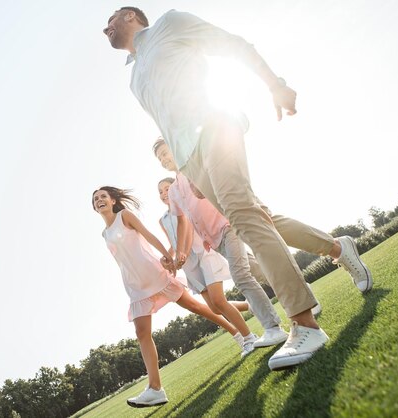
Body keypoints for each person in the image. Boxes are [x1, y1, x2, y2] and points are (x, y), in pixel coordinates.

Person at [103, 7, 373, 370]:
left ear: (133, 16)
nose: (106, 28)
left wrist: (274, 83)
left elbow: (232, 44)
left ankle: (304, 323)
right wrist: (188, 171)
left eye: (112, 19)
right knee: (259, 217)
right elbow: (164, 122)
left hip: (215, 124)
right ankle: (338, 247)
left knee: (245, 218)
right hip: (191, 158)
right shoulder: (134, 78)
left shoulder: (170, 24)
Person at [92, 186, 259, 408]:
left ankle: (239, 333)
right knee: (142, 333)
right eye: (95, 199)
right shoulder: (104, 233)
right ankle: (155, 389)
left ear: (113, 200)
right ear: (95, 207)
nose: (99, 200)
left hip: (156, 275)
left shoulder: (125, 216)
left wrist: (166, 256)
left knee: (199, 308)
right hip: (135, 286)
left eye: (103, 196)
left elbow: (148, 235)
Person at [158, 174, 289, 348]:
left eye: (167, 188)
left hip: (206, 252)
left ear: (174, 187)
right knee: (216, 306)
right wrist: (168, 258)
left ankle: (256, 333)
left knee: (226, 293)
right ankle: (255, 304)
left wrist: (181, 254)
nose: (164, 193)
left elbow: (188, 231)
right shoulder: (164, 219)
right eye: (160, 192)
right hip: (196, 257)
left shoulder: (185, 201)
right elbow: (173, 243)